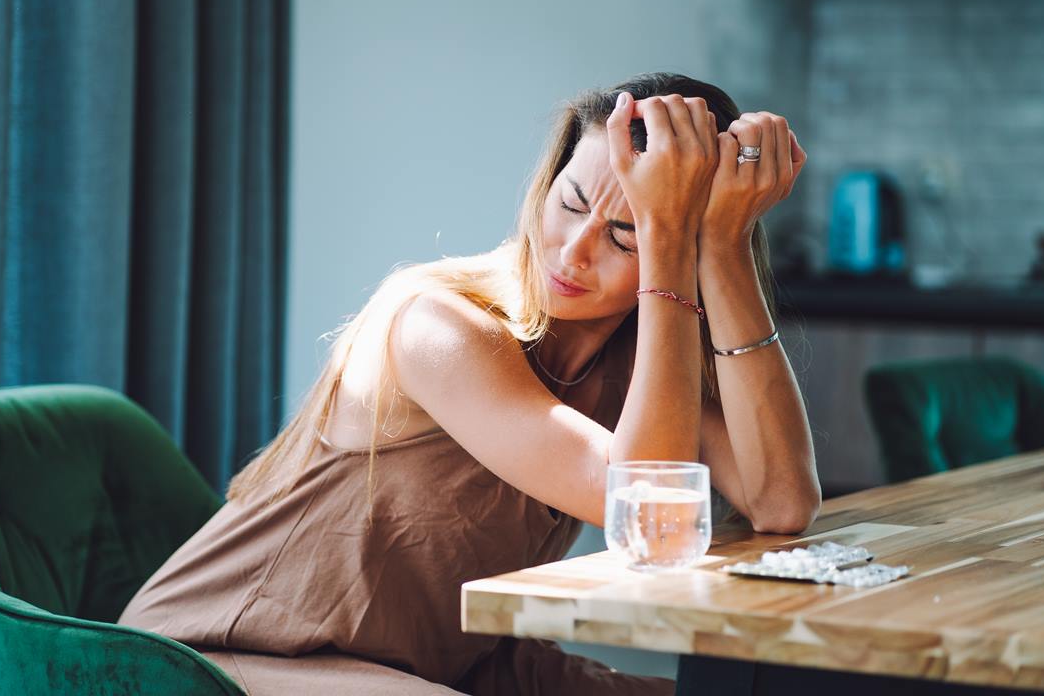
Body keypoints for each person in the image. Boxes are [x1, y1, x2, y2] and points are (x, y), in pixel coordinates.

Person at [116, 72, 822, 695]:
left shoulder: (636, 367)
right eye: (570, 204)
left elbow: (781, 500)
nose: (574, 252)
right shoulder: (434, 323)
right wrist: (664, 236)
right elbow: (648, 517)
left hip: (439, 660)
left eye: (624, 235)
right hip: (214, 659)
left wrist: (723, 243)